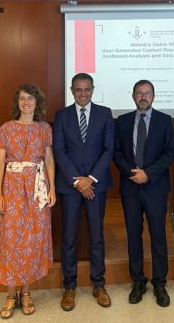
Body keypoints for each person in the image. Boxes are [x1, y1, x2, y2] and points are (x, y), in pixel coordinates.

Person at [0, 84, 56, 319]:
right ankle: (11, 294)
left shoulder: (44, 129)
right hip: (12, 189)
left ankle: (26, 292)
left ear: (37, 102)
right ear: (17, 102)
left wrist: (53, 189)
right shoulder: (6, 129)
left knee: (32, 240)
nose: (26, 102)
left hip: (38, 190)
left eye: (30, 98)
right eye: (22, 99)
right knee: (11, 241)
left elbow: (49, 160)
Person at [53, 73, 114, 310]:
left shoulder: (105, 113)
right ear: (71, 90)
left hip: (96, 186)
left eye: (87, 89)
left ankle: (99, 285)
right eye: (78, 90)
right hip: (70, 188)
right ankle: (69, 287)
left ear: (93, 89)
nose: (83, 94)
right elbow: (59, 151)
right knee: (69, 238)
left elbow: (108, 150)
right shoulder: (62, 116)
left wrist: (91, 179)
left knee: (97, 237)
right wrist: (78, 182)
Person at [113, 79, 174, 307]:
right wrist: (133, 173)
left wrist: (147, 174)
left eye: (147, 93)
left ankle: (160, 282)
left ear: (154, 96)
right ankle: (138, 280)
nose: (143, 97)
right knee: (133, 234)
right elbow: (116, 152)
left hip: (155, 187)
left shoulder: (165, 121)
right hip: (130, 187)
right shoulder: (123, 121)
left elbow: (169, 154)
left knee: (158, 235)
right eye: (139, 93)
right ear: (133, 97)